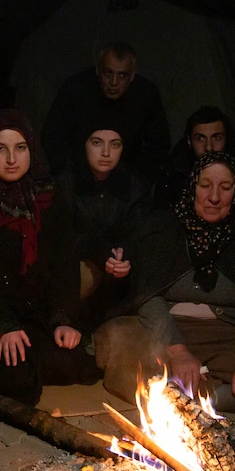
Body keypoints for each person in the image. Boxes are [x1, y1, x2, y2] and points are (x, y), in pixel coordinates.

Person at [95, 151, 235, 415]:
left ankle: (182, 397)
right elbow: (148, 295)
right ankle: (219, 397)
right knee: (115, 339)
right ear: (193, 188)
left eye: (225, 188)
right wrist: (178, 353)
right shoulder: (164, 228)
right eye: (205, 186)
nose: (214, 197)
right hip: (165, 331)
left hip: (229, 333)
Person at [0, 109, 103, 406]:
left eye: (20, 148)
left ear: (32, 150)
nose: (11, 159)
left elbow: (63, 263)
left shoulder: (46, 195)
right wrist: (1, 325)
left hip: (29, 313)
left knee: (75, 364)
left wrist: (62, 318)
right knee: (16, 378)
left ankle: (27, 355)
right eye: (1, 149)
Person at [56, 114, 152, 333]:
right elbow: (62, 236)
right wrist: (99, 251)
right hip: (79, 265)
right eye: (97, 143)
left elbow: (139, 232)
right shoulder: (67, 181)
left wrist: (124, 255)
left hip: (121, 269)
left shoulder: (135, 184)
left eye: (115, 144)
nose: (106, 153)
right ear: (85, 144)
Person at [41, 42, 170, 178]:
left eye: (122, 75)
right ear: (98, 70)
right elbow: (53, 138)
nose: (114, 82)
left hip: (128, 179)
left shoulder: (146, 94)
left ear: (132, 76)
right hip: (79, 178)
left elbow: (159, 145)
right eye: (108, 73)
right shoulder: (75, 89)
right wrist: (72, 176)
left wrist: (137, 181)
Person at [159, 106, 235, 226]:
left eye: (217, 138)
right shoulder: (176, 169)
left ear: (226, 139)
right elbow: (161, 218)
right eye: (200, 138)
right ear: (189, 141)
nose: (209, 147)